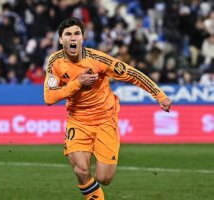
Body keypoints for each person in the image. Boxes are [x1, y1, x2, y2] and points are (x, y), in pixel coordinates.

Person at [43, 18, 172, 200]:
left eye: (77, 34)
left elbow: (132, 74)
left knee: (104, 178)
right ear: (60, 40)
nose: (73, 38)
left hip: (105, 120)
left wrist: (159, 95)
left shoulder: (98, 60)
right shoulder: (55, 62)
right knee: (81, 170)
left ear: (83, 38)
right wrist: (77, 83)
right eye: (68, 34)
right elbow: (49, 97)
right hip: (78, 120)